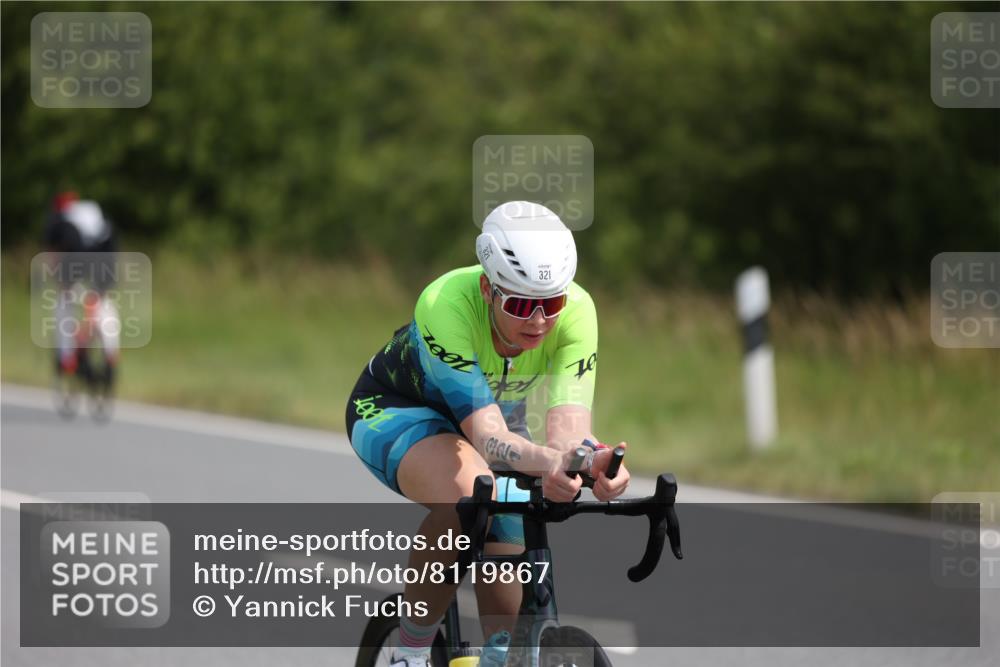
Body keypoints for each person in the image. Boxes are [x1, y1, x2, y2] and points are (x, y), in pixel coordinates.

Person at [345, 201, 630, 667]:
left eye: (551, 305)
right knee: (470, 493)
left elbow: (567, 432)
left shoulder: (579, 312)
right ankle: (410, 653)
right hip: (400, 411)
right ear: (487, 289)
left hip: (494, 419)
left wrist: (590, 460)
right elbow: (489, 438)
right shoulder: (445, 303)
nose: (538, 321)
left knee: (512, 530)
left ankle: (500, 657)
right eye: (520, 305)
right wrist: (548, 460)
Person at [42, 192, 120, 384]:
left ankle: (67, 357)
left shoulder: (59, 220)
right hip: (104, 261)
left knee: (65, 308)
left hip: (77, 262)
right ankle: (110, 356)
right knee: (103, 309)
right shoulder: (94, 213)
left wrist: (62, 283)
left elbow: (54, 256)